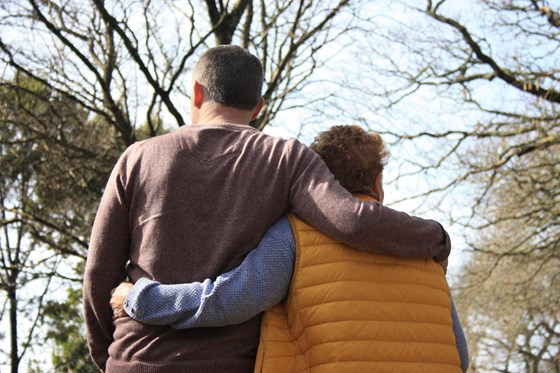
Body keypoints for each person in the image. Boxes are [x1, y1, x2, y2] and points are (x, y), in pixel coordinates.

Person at [83, 44, 451, 373]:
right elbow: (351, 221)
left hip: (134, 356)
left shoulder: (138, 158)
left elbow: (98, 273)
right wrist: (436, 237)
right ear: (259, 107)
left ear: (197, 92)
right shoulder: (285, 158)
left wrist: (111, 355)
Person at [110, 125, 468, 372]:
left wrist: (143, 299)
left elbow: (232, 299)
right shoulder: (424, 246)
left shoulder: (295, 236)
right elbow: (459, 354)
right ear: (378, 181)